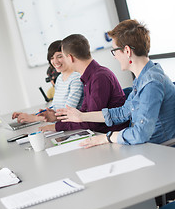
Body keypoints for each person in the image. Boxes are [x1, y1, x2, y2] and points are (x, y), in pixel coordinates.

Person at [55, 19, 175, 147]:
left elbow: (140, 134)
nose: (115, 56)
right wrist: (82, 117)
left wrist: (107, 137)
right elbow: (123, 112)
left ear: (127, 51)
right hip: (146, 146)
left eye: (115, 51)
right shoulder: (142, 78)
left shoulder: (152, 83)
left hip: (160, 150)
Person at [39, 34, 128, 133]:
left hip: (110, 135)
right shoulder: (88, 78)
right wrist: (56, 118)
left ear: (70, 58)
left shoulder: (99, 78)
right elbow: (83, 114)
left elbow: (92, 121)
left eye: (62, 56)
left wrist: (56, 127)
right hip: (98, 133)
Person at [12, 40, 83, 123]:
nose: (55, 62)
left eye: (59, 56)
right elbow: (55, 108)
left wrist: (35, 119)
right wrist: (35, 115)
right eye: (52, 58)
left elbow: (68, 112)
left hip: (73, 126)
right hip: (62, 125)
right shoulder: (60, 78)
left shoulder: (76, 78)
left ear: (69, 56)